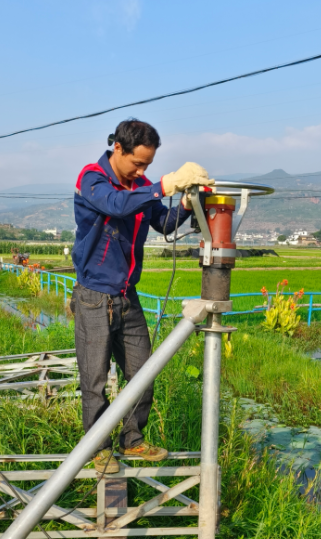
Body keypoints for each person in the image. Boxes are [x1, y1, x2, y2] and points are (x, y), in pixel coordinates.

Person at [71, 119, 214, 473]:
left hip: (126, 295)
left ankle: (132, 441)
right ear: (118, 148)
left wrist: (184, 203)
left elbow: (162, 223)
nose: (142, 170)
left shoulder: (140, 186)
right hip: (94, 295)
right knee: (95, 379)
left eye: (148, 166)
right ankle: (98, 448)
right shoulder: (92, 179)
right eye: (138, 163)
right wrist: (163, 183)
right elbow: (117, 205)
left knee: (142, 371)